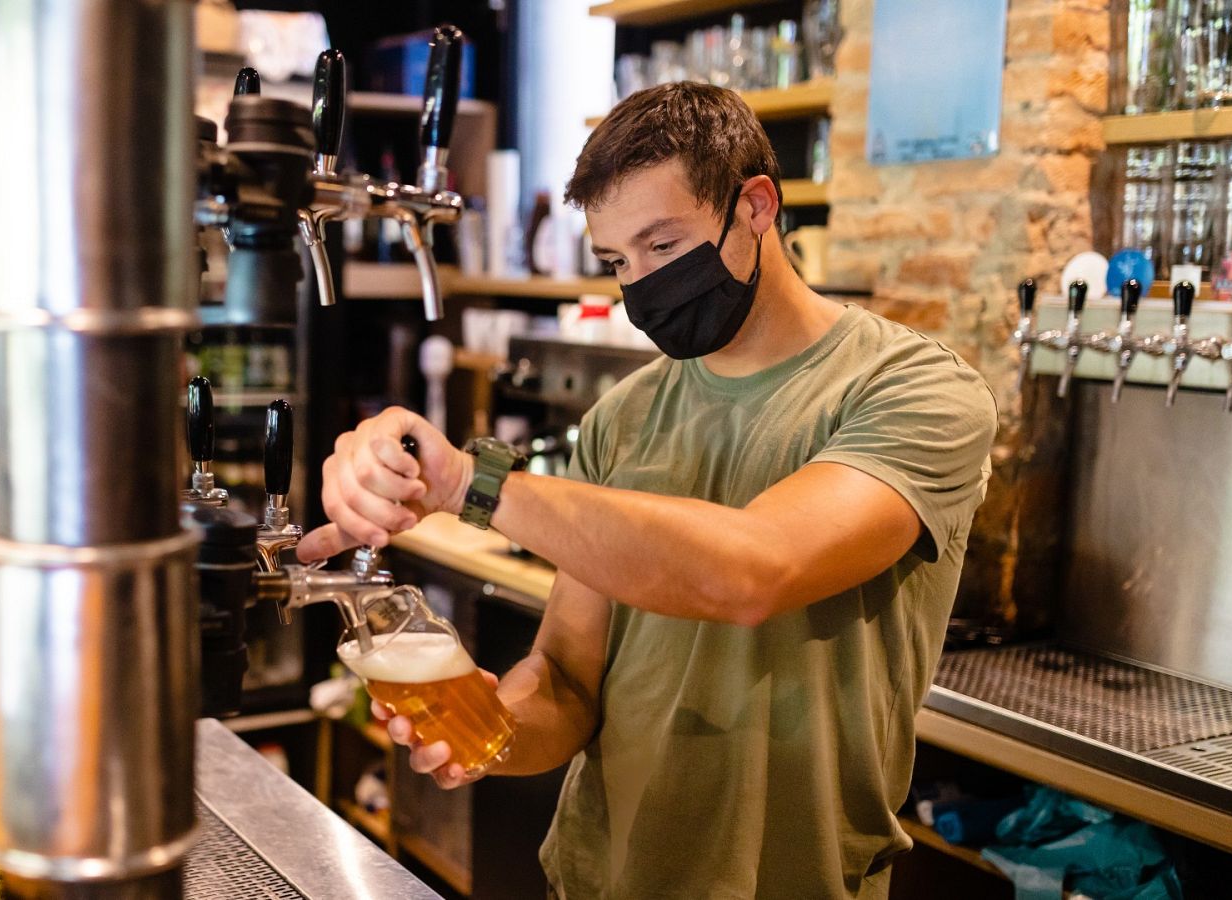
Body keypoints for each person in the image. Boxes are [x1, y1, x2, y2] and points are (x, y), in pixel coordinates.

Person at [297, 82, 999, 899]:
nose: (642, 287)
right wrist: (490, 732)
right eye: (616, 262)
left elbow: (753, 570)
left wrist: (466, 482)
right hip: (599, 877)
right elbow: (566, 680)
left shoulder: (915, 392)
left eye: (663, 247)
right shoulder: (622, 419)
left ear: (756, 207)